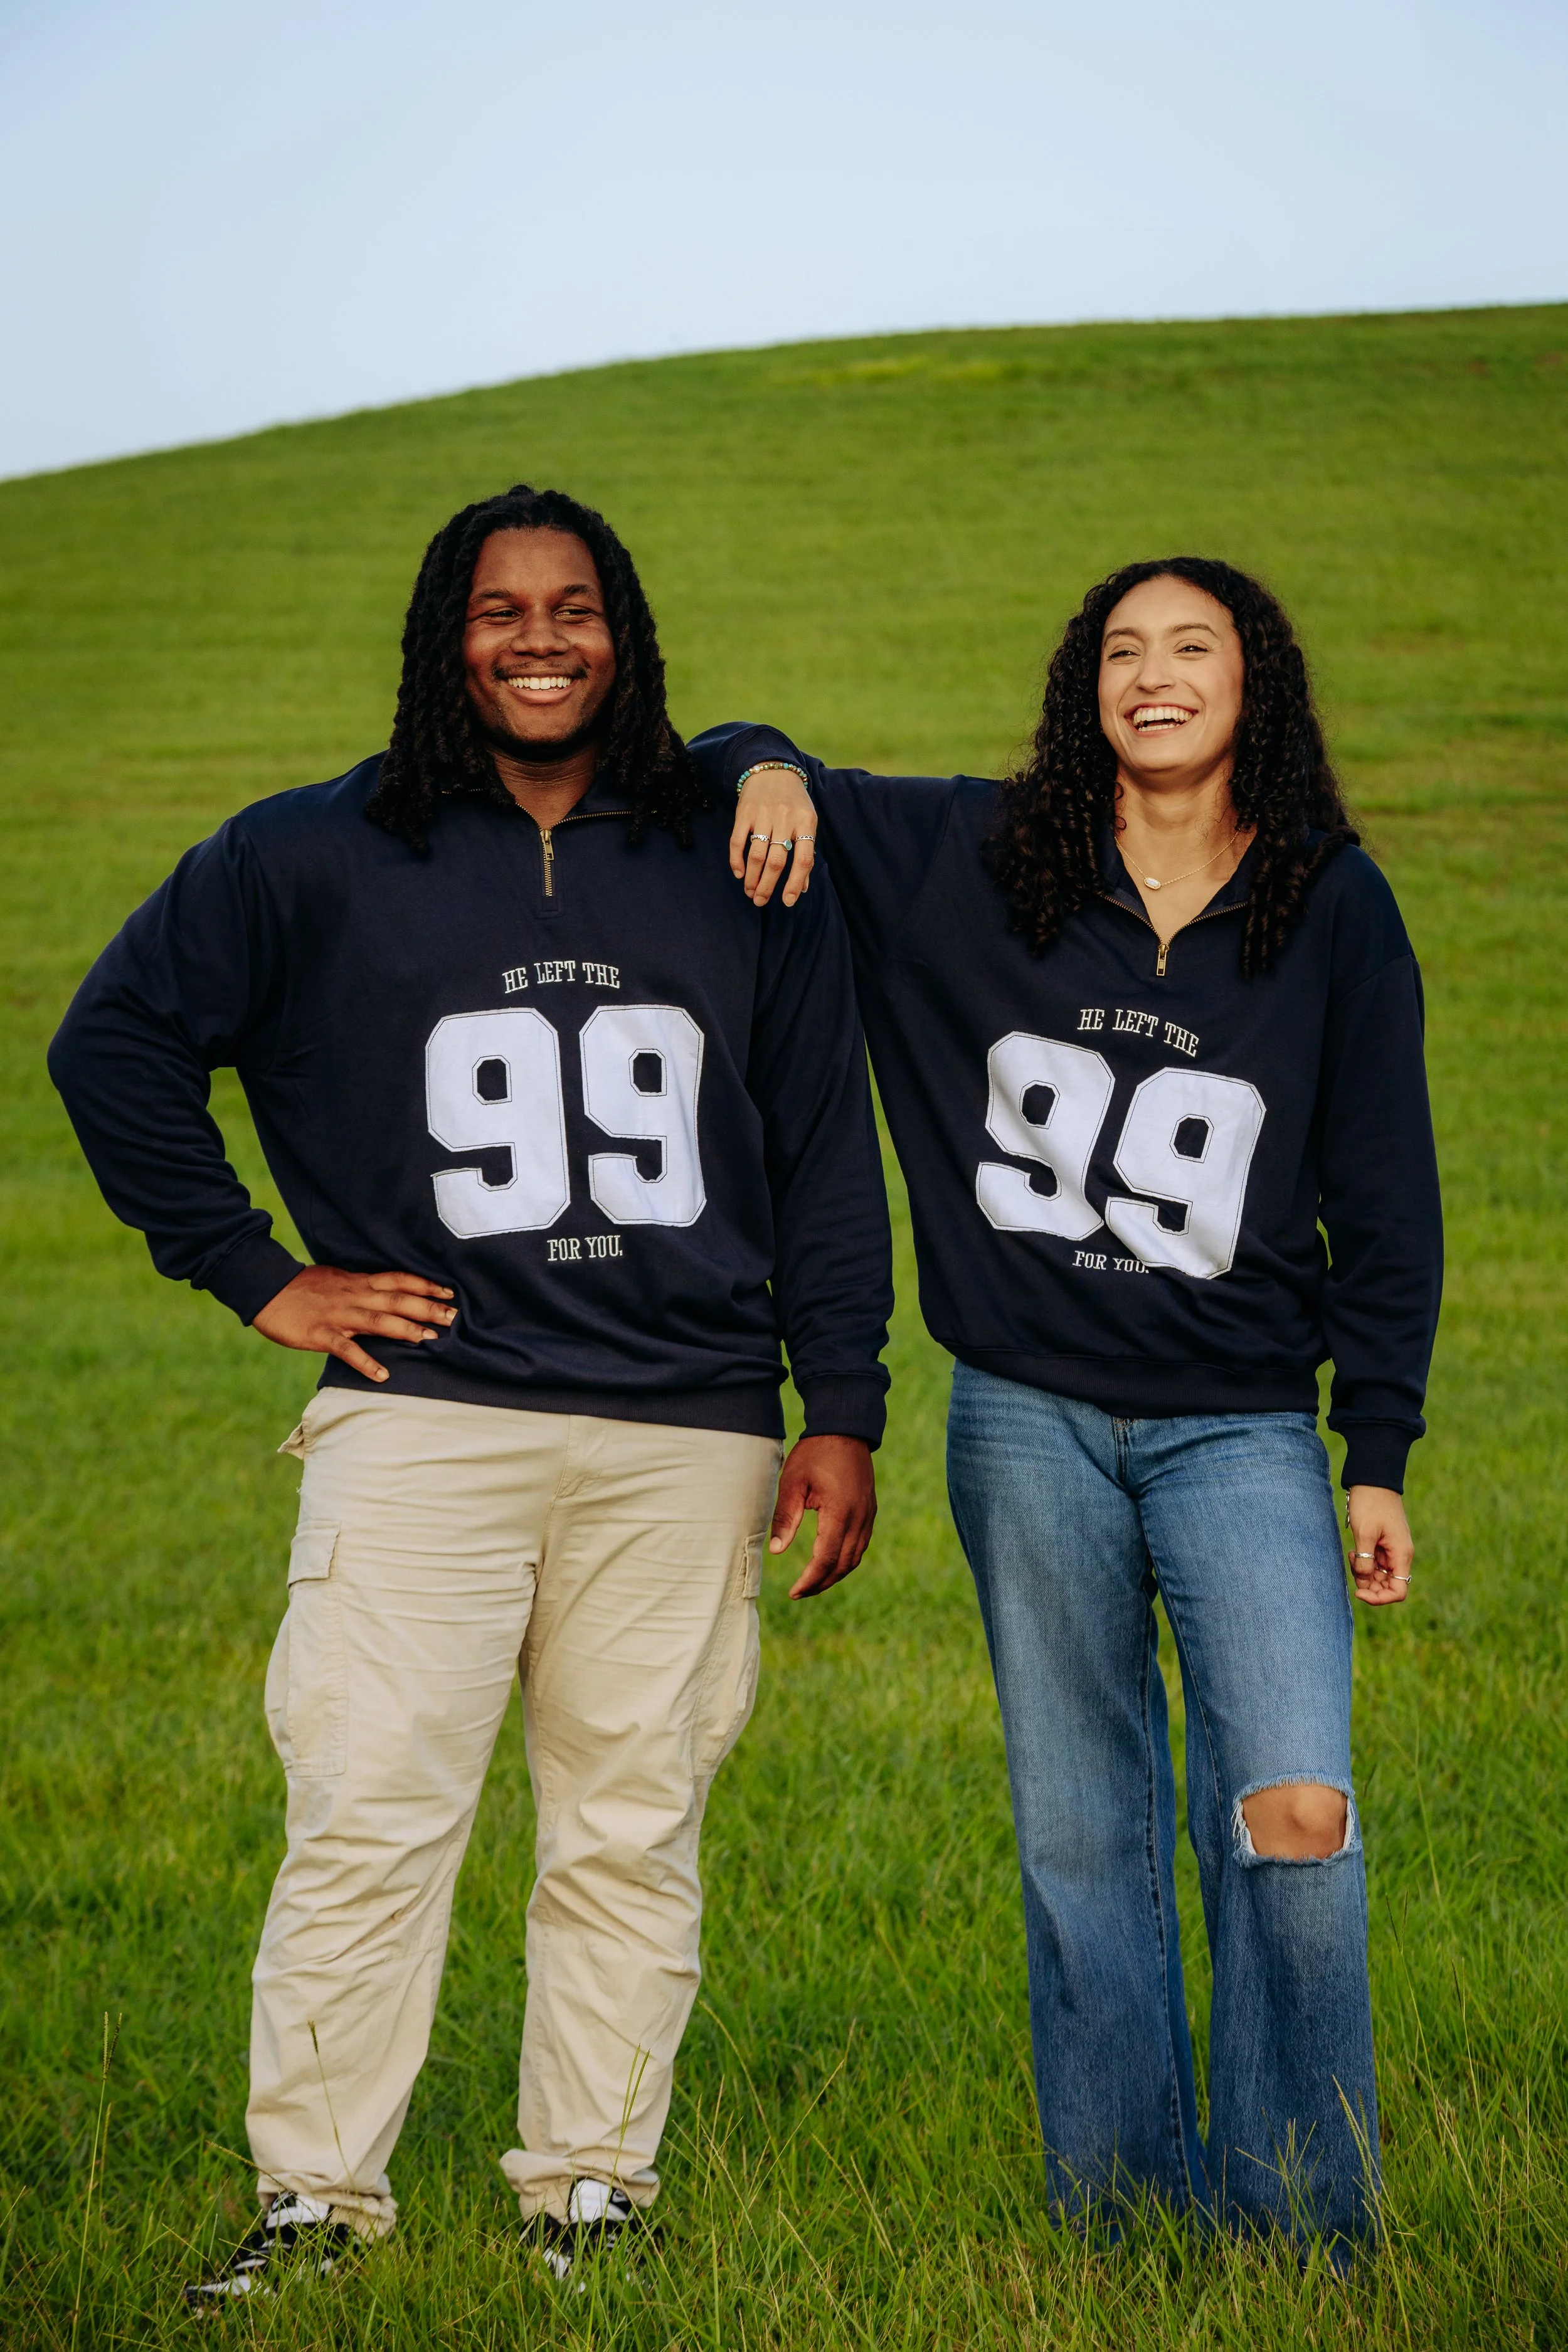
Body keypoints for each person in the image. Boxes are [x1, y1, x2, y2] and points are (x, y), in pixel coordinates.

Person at [49, 485, 892, 2302]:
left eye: (573, 605)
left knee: (629, 1820)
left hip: (685, 1421)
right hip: (424, 1410)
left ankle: (590, 2191)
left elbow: (825, 1140)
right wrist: (257, 1271)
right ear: (447, 636)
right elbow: (110, 1044)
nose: (538, 637)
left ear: (625, 629)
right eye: (499, 609)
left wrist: (842, 1401)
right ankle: (316, 2208)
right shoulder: (310, 851)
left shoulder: (735, 848)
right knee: (369, 1810)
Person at [694, 557, 1442, 2253]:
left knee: (1293, 1814)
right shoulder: (979, 855)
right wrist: (763, 762)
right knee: (1082, 1836)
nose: (1154, 675)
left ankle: (1300, 2229)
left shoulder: (1329, 902)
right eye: (1121, 649)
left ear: (1257, 687)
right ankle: (1118, 2220)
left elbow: (1386, 1195)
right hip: (1023, 1416)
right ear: (1081, 685)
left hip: (1240, 1424)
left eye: (1193, 647)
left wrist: (1374, 1447)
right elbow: (752, 757)